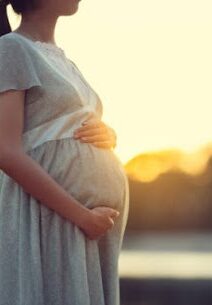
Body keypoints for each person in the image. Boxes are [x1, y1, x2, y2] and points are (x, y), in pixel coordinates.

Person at [0, 0, 130, 305]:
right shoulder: (11, 48)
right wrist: (82, 216)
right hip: (56, 217)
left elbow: (63, 124)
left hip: (88, 227)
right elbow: (5, 150)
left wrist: (109, 135)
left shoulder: (63, 60)